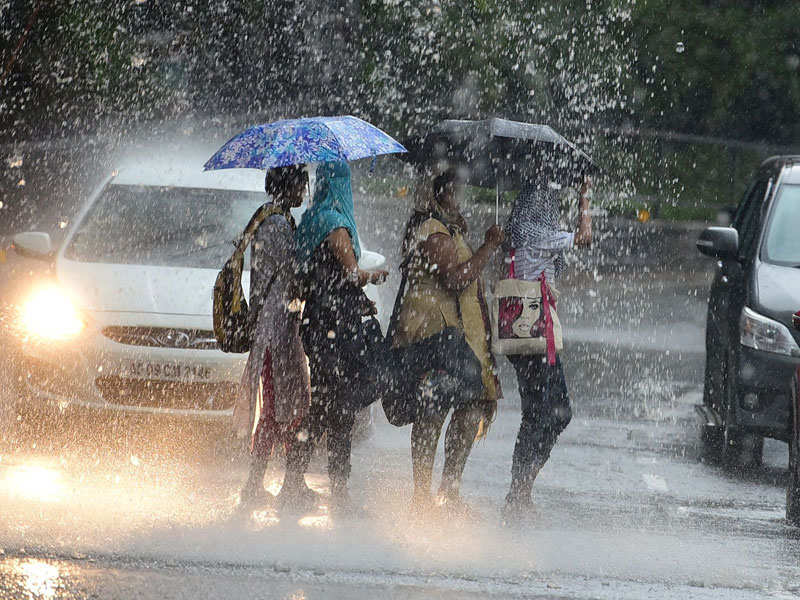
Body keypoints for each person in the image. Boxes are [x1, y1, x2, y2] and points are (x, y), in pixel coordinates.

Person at [392, 168, 505, 512]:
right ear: (440, 194)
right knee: (434, 404)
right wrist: (488, 247)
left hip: (456, 337)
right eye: (455, 193)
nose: (460, 199)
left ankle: (449, 488)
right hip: (432, 336)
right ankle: (421, 495)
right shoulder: (431, 230)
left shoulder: (448, 228)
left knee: (471, 404)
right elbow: (456, 278)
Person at [290, 161, 388, 514]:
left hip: (319, 323)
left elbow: (315, 279)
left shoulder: (311, 222)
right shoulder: (336, 225)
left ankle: (300, 479)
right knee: (338, 406)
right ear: (341, 185)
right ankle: (336, 489)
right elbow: (350, 273)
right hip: (336, 328)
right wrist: (374, 277)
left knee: (328, 404)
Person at [502, 173, 593, 516]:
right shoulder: (539, 234)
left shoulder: (519, 232)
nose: (553, 205)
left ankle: (520, 491)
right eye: (549, 201)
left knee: (537, 413)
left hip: (519, 331)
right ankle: (519, 491)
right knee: (554, 413)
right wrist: (584, 198)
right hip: (536, 332)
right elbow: (584, 237)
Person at [234, 164, 314, 509]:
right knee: (277, 410)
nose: (304, 191)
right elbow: (295, 278)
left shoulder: (267, 218)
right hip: (274, 333)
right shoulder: (279, 225)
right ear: (289, 185)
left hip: (275, 330)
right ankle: (262, 485)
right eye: (301, 184)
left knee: (280, 408)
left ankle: (279, 483)